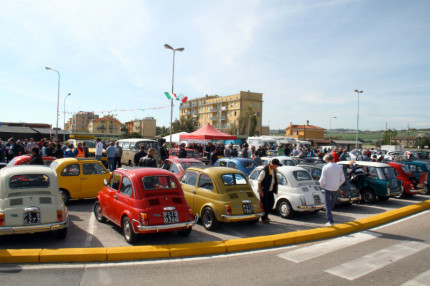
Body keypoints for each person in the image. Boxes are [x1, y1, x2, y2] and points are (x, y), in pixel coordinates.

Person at [319, 154, 345, 226]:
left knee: (327, 204)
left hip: (327, 188)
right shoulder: (339, 167)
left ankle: (330, 221)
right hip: (336, 188)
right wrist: (337, 184)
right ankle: (330, 216)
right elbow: (343, 179)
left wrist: (322, 186)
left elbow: (322, 179)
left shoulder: (325, 167)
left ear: (327, 159)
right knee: (332, 204)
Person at [257, 158, 282, 224]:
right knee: (265, 205)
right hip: (264, 190)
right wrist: (261, 191)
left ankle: (266, 215)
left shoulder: (274, 170)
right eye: (276, 165)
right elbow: (259, 181)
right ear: (273, 165)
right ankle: (264, 218)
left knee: (271, 203)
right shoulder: (265, 170)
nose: (277, 167)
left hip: (270, 190)